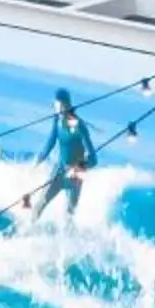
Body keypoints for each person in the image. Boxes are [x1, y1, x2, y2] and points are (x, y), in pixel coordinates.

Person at [35, 88, 95, 218]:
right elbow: (50, 144)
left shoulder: (80, 125)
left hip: (76, 176)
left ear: (67, 104)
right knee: (39, 206)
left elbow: (94, 159)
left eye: (60, 104)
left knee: (69, 216)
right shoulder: (56, 122)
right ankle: (26, 233)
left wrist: (80, 166)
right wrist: (37, 162)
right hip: (59, 172)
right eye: (56, 105)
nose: (57, 108)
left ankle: (67, 238)